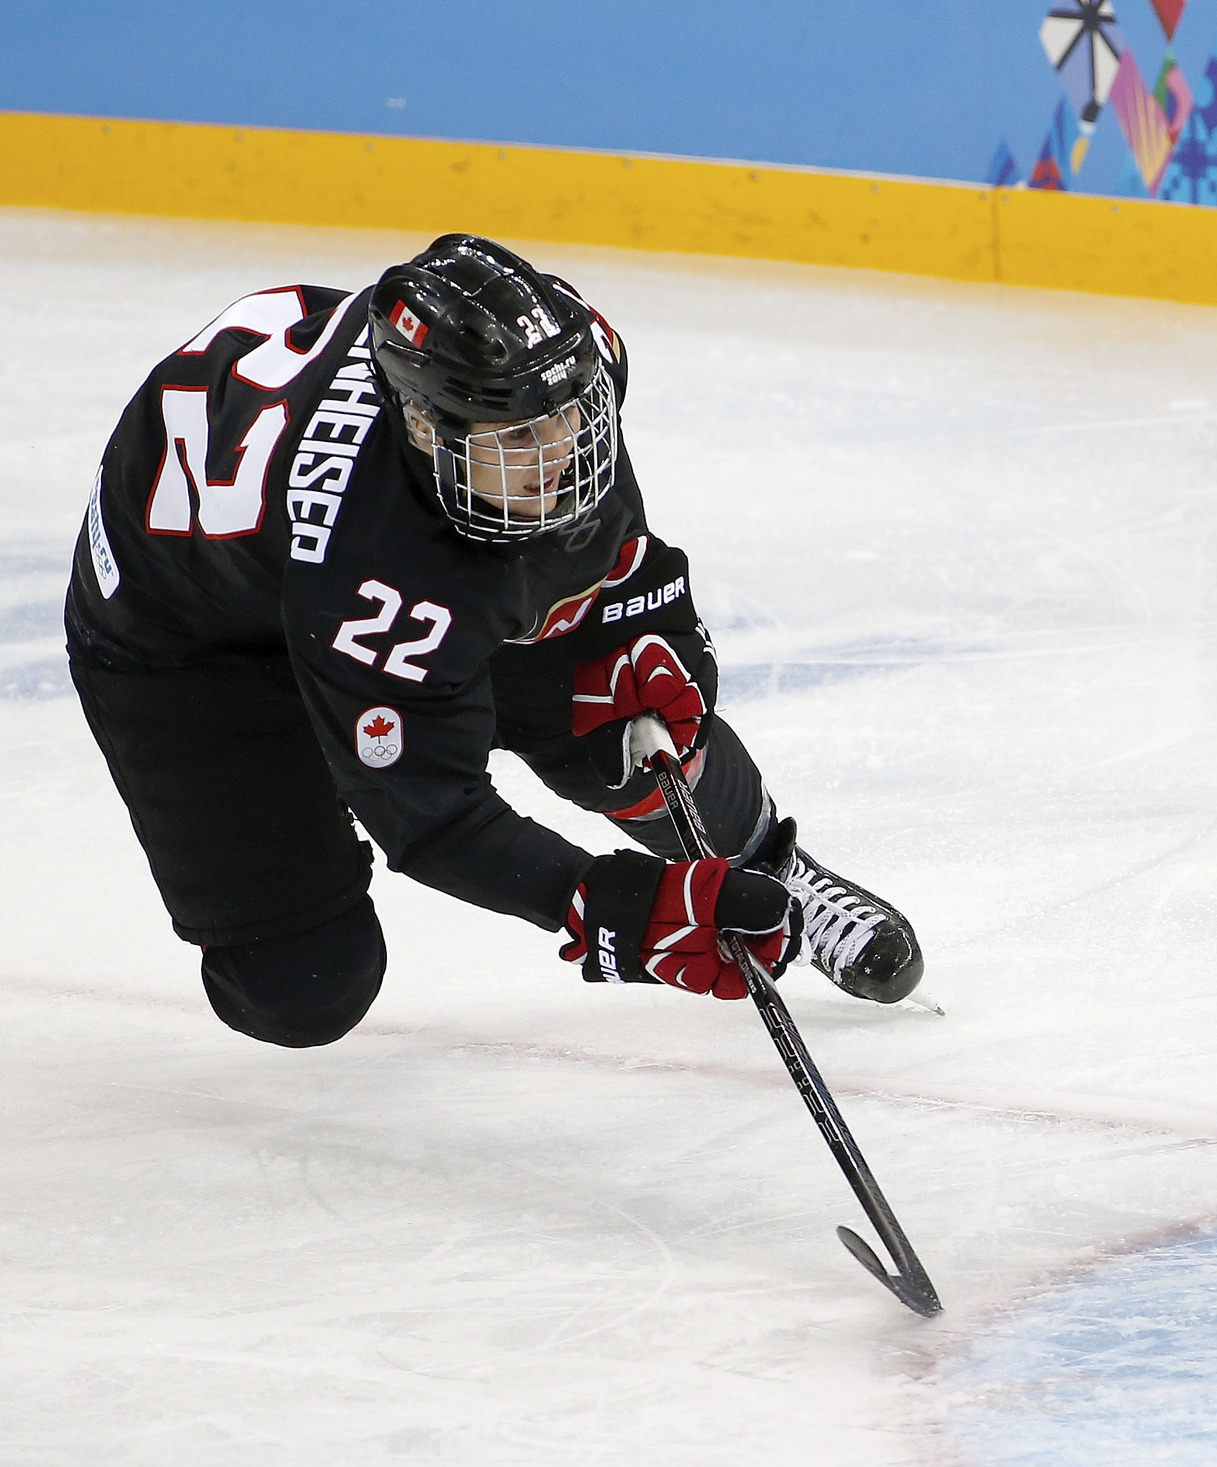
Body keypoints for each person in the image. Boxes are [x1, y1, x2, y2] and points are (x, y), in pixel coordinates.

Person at [67, 233, 924, 1049]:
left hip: (331, 574)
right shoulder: (379, 565)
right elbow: (436, 822)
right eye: (519, 439)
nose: (560, 454)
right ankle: (309, 763)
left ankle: (774, 868)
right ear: (426, 430)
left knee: (613, 717)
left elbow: (625, 565)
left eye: (569, 416)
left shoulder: (543, 386)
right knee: (303, 988)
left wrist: (660, 651)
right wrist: (611, 902)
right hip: (189, 643)